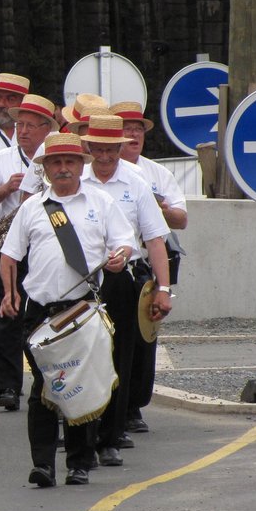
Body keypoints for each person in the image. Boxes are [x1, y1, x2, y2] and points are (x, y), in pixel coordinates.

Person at [0, 132, 134, 487]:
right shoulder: (32, 208)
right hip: (41, 312)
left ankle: (79, 463)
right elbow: (10, 255)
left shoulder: (101, 202)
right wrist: (9, 292)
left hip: (83, 310)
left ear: (80, 165)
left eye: (69, 162)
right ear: (45, 169)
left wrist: (120, 258)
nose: (62, 168)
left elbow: (124, 243)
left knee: (82, 385)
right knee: (44, 387)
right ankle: (43, 464)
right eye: (55, 163)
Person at [80, 114, 172, 466]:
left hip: (123, 279)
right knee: (83, 356)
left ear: (120, 148)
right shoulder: (77, 181)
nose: (104, 157)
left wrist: (164, 289)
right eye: (98, 150)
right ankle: (79, 429)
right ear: (89, 148)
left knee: (120, 357)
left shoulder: (136, 183)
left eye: (111, 150)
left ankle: (111, 437)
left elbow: (155, 239)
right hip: (83, 278)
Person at [0, 93, 59, 410]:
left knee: (40, 315)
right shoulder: (3, 158)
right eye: (19, 124)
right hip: (8, 244)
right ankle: (10, 385)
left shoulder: (55, 157)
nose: (21, 131)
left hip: (45, 248)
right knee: (6, 315)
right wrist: (6, 189)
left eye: (29, 125)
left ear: (45, 129)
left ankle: (48, 381)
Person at [111, 101, 188, 434]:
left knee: (142, 339)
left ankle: (132, 406)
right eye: (127, 128)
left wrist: (158, 208)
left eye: (138, 128)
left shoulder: (157, 173)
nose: (133, 134)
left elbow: (180, 220)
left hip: (143, 263)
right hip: (105, 266)